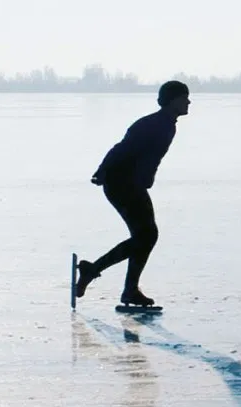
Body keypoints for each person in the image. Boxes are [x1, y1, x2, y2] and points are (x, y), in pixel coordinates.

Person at [74, 80, 190, 307]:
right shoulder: (154, 124)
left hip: (132, 184)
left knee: (146, 236)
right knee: (146, 235)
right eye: (184, 97)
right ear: (172, 100)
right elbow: (122, 148)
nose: (188, 102)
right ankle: (100, 274)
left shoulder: (167, 124)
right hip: (121, 183)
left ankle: (125, 287)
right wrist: (102, 171)